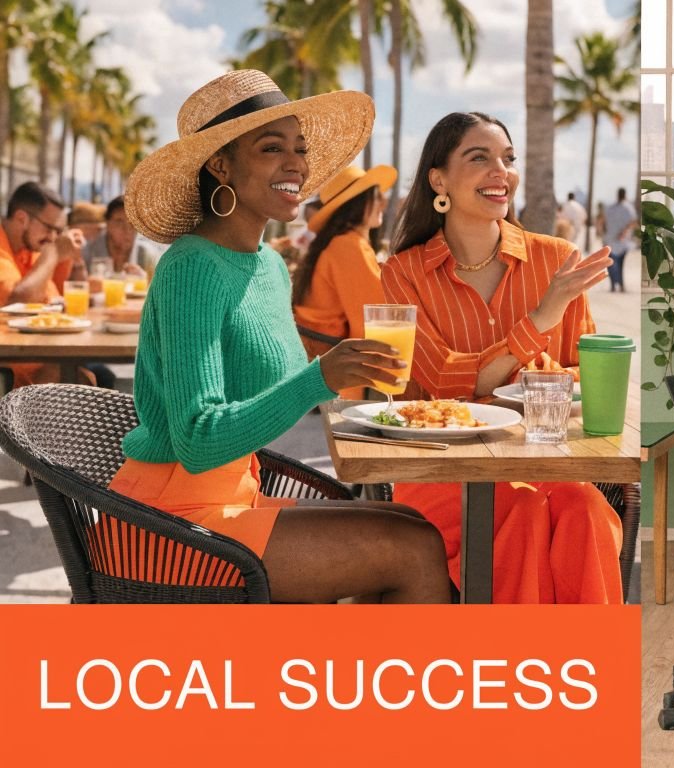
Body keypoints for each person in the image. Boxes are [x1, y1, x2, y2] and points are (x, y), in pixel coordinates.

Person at [113, 69, 453, 604]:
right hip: (166, 522)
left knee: (410, 523)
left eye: (299, 147)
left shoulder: (270, 266)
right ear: (221, 165)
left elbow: (285, 386)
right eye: (272, 148)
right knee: (412, 550)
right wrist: (320, 378)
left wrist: (343, 379)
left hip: (235, 497)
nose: (296, 162)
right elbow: (198, 441)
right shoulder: (191, 266)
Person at [381, 111, 621, 604]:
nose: (502, 171)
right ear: (438, 179)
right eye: (480, 158)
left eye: (508, 159)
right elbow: (445, 384)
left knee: (585, 509)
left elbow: (584, 372)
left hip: (543, 461)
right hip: (441, 469)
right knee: (522, 511)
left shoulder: (557, 260)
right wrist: (541, 318)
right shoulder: (403, 274)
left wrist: (556, 378)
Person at [291, 164, 397, 398]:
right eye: (377, 196)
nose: (384, 202)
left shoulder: (339, 243)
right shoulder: (349, 246)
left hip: (329, 367)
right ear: (358, 203)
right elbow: (375, 319)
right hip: (348, 379)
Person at [0, 182, 88, 388]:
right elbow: (17, 302)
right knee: (78, 382)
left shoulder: (29, 248)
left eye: (59, 231)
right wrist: (54, 252)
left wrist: (71, 258)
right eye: (50, 228)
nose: (53, 237)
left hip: (34, 356)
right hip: (9, 372)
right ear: (22, 218)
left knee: (84, 378)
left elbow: (54, 300)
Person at [82, 196, 158, 279]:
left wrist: (146, 282)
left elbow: (160, 288)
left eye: (133, 223)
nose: (127, 230)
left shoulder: (147, 255)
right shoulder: (88, 252)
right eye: (119, 222)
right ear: (107, 224)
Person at [602, 187, 636, 292]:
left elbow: (603, 222)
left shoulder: (610, 208)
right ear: (625, 195)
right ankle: (621, 285)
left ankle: (613, 285)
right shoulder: (629, 208)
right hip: (622, 240)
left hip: (610, 239)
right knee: (620, 263)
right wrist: (624, 232)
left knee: (610, 262)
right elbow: (633, 222)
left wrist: (604, 233)